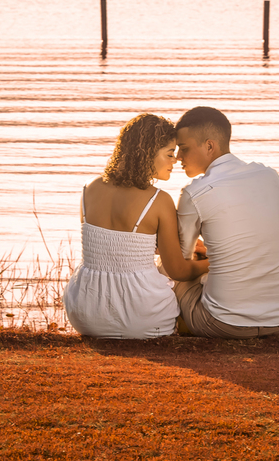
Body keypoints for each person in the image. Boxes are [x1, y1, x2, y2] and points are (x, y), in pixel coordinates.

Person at [63, 113, 209, 339]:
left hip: (84, 312)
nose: (176, 160)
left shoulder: (89, 189)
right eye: (170, 154)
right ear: (148, 154)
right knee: (194, 269)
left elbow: (116, 246)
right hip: (140, 318)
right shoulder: (158, 200)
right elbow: (177, 270)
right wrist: (214, 263)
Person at [173, 106, 279, 338]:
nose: (178, 158)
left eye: (183, 149)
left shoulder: (194, 193)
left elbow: (180, 264)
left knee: (176, 274)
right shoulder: (270, 175)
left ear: (209, 146)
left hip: (221, 325)